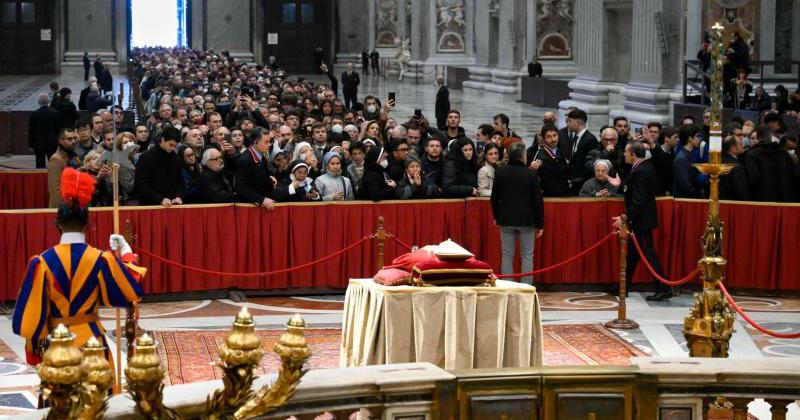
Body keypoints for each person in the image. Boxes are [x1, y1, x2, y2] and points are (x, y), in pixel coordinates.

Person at [12, 167, 144, 370]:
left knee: (59, 399)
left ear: (58, 226)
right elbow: (131, 289)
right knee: (101, 399)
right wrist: (126, 253)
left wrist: (33, 352)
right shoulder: (101, 259)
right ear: (88, 225)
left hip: (57, 346)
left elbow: (30, 321)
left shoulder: (40, 263)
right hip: (93, 344)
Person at [613, 141, 671, 301]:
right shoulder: (643, 167)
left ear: (633, 154)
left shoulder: (641, 171)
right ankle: (623, 285)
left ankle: (664, 287)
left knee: (648, 253)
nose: (624, 154)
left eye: (626, 152)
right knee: (633, 254)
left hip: (642, 220)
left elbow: (638, 200)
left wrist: (624, 218)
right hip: (641, 218)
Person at [490, 141, 544, 285]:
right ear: (523, 156)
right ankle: (526, 287)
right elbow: (538, 201)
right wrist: (540, 224)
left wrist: (496, 216)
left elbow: (494, 197)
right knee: (527, 256)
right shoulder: (530, 174)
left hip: (506, 219)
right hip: (527, 220)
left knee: (507, 255)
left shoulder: (500, 172)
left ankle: (508, 286)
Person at [134, 126, 185, 206]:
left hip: (172, 204)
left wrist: (178, 196)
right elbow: (140, 184)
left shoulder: (175, 158)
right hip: (150, 205)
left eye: (175, 146)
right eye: (171, 145)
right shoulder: (146, 157)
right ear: (163, 140)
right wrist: (159, 199)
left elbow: (180, 182)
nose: (173, 148)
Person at [744, 124, 796, 202]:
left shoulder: (751, 155)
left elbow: (753, 179)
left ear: (757, 137)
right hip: (784, 199)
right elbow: (792, 174)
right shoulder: (783, 152)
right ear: (771, 136)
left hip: (761, 201)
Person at [236, 127, 277, 209]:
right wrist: (261, 200)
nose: (269, 144)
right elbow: (241, 188)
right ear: (256, 142)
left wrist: (270, 179)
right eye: (266, 142)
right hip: (249, 207)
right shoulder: (245, 160)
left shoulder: (262, 157)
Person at [565, 109, 598, 194]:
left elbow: (590, 166)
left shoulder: (590, 140)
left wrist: (576, 181)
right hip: (574, 184)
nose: (567, 124)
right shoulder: (575, 138)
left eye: (569, 121)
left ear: (578, 122)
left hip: (583, 185)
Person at [532, 124, 570, 197]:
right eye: (549, 137)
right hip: (552, 198)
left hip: (563, 195)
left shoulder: (559, 151)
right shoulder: (542, 157)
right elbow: (549, 183)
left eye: (554, 135)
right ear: (543, 139)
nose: (553, 139)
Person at [47, 128, 79, 208]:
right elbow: (55, 190)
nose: (73, 141)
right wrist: (64, 210)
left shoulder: (73, 156)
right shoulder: (56, 159)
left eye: (74, 138)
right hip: (62, 209)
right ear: (60, 141)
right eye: (69, 139)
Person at [29, 93, 61, 168]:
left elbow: (31, 131)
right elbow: (58, 129)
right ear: (48, 101)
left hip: (39, 143)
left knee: (40, 165)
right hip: (52, 142)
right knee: (53, 164)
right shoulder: (55, 113)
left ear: (38, 102)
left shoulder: (34, 114)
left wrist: (31, 144)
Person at [672, 124, 703, 199]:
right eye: (697, 136)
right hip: (685, 203)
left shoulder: (687, 154)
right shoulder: (682, 159)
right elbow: (686, 186)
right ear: (690, 138)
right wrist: (699, 198)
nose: (700, 139)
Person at [719, 135, 749, 201]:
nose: (743, 145)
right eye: (740, 143)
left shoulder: (720, 163)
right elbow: (742, 193)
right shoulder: (737, 167)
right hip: (734, 206)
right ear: (733, 148)